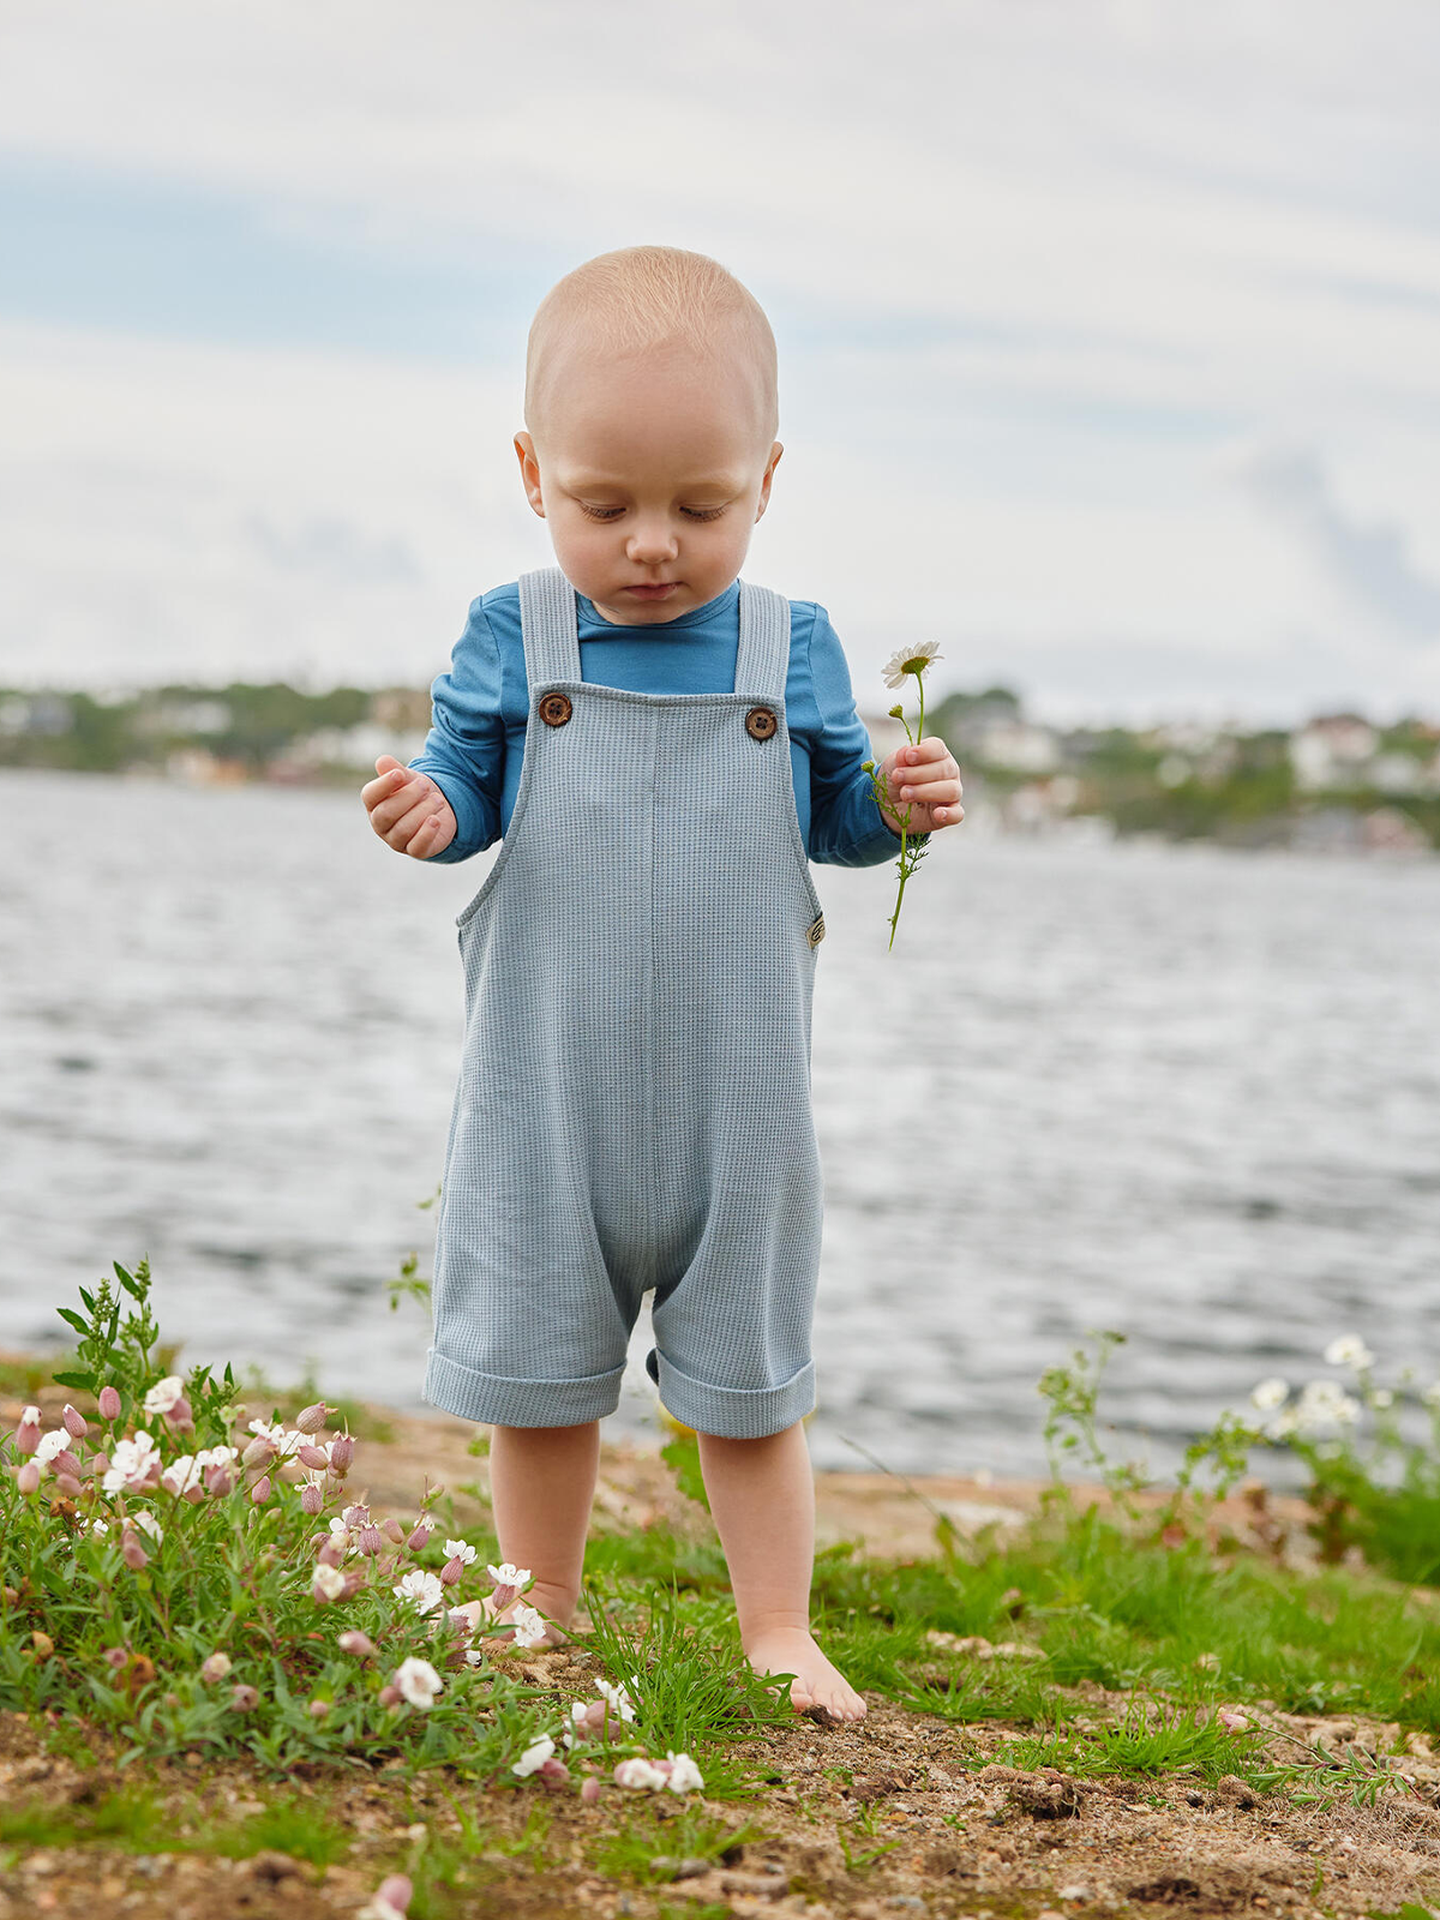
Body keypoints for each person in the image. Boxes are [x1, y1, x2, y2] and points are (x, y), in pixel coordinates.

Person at [361, 246, 963, 1722]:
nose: (650, 545)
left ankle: (777, 1630)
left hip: (736, 1105)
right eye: (604, 504)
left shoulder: (789, 646)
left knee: (754, 1386)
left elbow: (826, 821)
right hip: (544, 1097)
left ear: (765, 478)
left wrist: (895, 805)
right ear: (531, 473)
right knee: (541, 1383)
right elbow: (470, 786)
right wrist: (434, 810)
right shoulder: (519, 635)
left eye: (699, 508)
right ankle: (540, 1616)